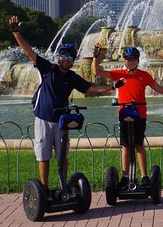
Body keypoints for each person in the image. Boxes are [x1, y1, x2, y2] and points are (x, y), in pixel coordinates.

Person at [8, 15, 122, 188]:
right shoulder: (48, 68)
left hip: (62, 120)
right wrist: (16, 33)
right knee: (43, 155)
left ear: (73, 60)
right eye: (64, 56)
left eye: (70, 57)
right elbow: (29, 52)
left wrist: (112, 87)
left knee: (62, 156)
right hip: (44, 119)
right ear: (59, 57)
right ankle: (44, 188)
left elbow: (90, 88)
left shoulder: (72, 77)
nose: (66, 59)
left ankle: (63, 186)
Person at [92, 43, 163, 188]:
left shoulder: (144, 75)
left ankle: (144, 176)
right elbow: (97, 72)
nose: (131, 62)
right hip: (124, 114)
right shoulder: (119, 74)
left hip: (139, 114)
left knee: (139, 145)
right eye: (128, 60)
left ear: (138, 61)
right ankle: (125, 176)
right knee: (126, 146)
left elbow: (159, 89)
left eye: (134, 59)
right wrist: (96, 57)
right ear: (125, 61)